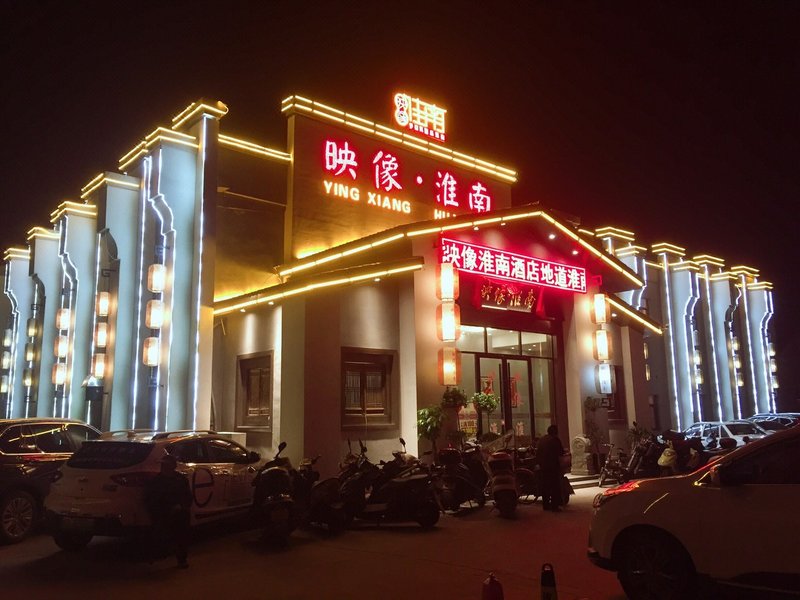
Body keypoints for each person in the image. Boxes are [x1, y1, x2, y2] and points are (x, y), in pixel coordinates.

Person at [144, 452, 192, 568]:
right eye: (163, 465)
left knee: (181, 536)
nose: (164, 468)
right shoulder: (157, 481)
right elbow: (150, 498)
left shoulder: (180, 479)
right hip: (163, 512)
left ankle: (181, 559)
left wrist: (181, 506)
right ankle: (157, 554)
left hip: (179, 512)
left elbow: (187, 496)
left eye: (166, 465)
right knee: (159, 534)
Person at [536, 425, 565, 512]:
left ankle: (545, 505)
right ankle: (554, 506)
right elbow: (561, 453)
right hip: (553, 467)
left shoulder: (542, 440)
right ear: (555, 432)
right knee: (554, 486)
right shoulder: (555, 440)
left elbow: (538, 453)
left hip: (543, 467)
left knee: (545, 486)